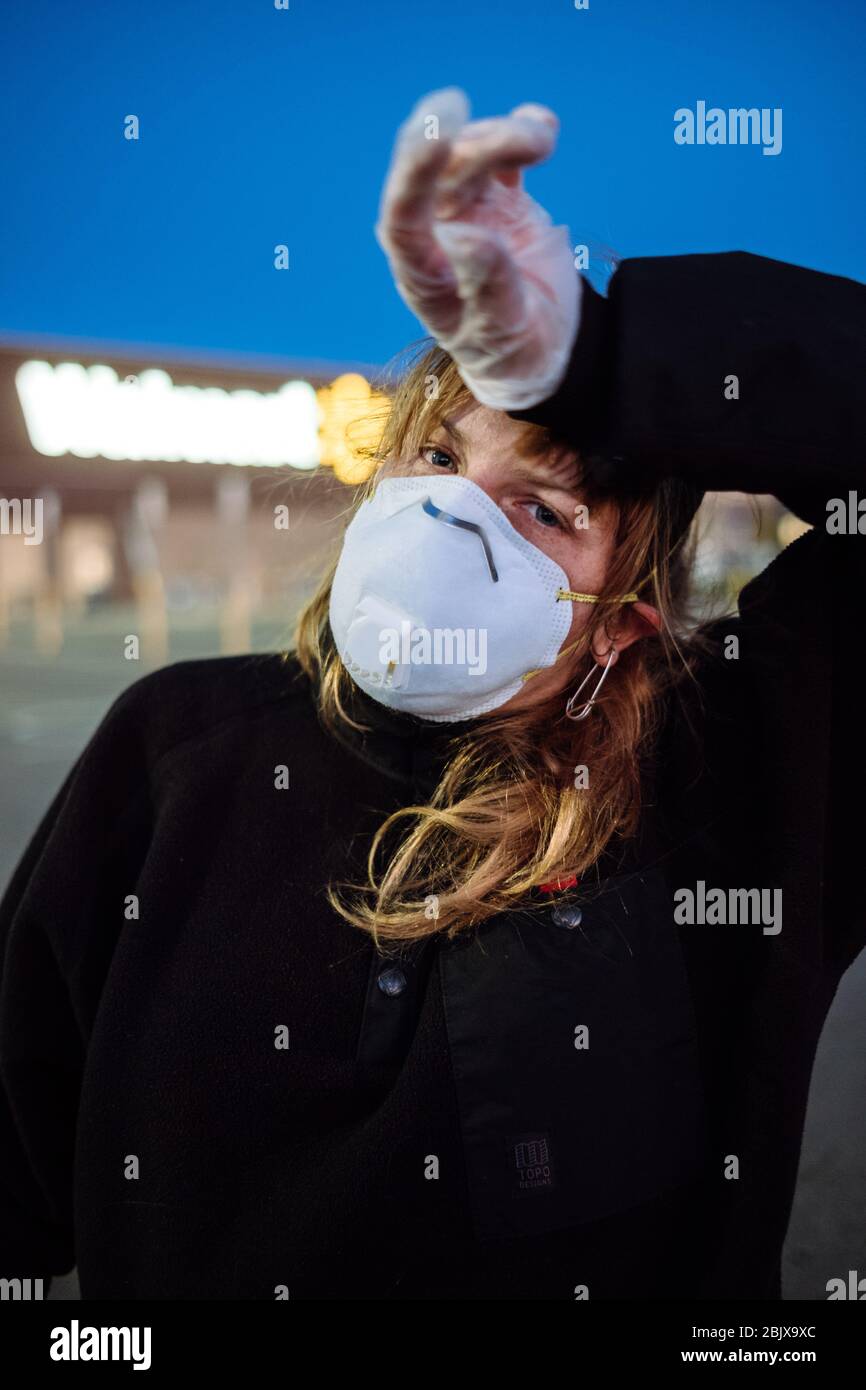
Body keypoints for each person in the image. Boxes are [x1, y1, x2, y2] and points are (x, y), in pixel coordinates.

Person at [1, 87, 864, 1302]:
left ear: (621, 624)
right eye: (441, 458)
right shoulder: (173, 745)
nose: (455, 513)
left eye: (546, 508)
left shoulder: (734, 775)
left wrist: (603, 356)